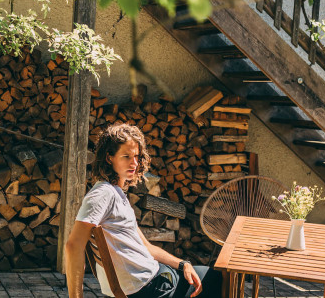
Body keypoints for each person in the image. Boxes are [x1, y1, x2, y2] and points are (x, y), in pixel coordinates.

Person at [64, 123, 223, 298]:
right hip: (149, 287)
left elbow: (147, 247)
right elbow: (73, 246)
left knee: (202, 273)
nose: (134, 163)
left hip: (149, 280)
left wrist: (182, 264)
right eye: (126, 156)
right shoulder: (103, 194)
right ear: (109, 158)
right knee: (215, 278)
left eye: (136, 156)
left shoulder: (116, 193)